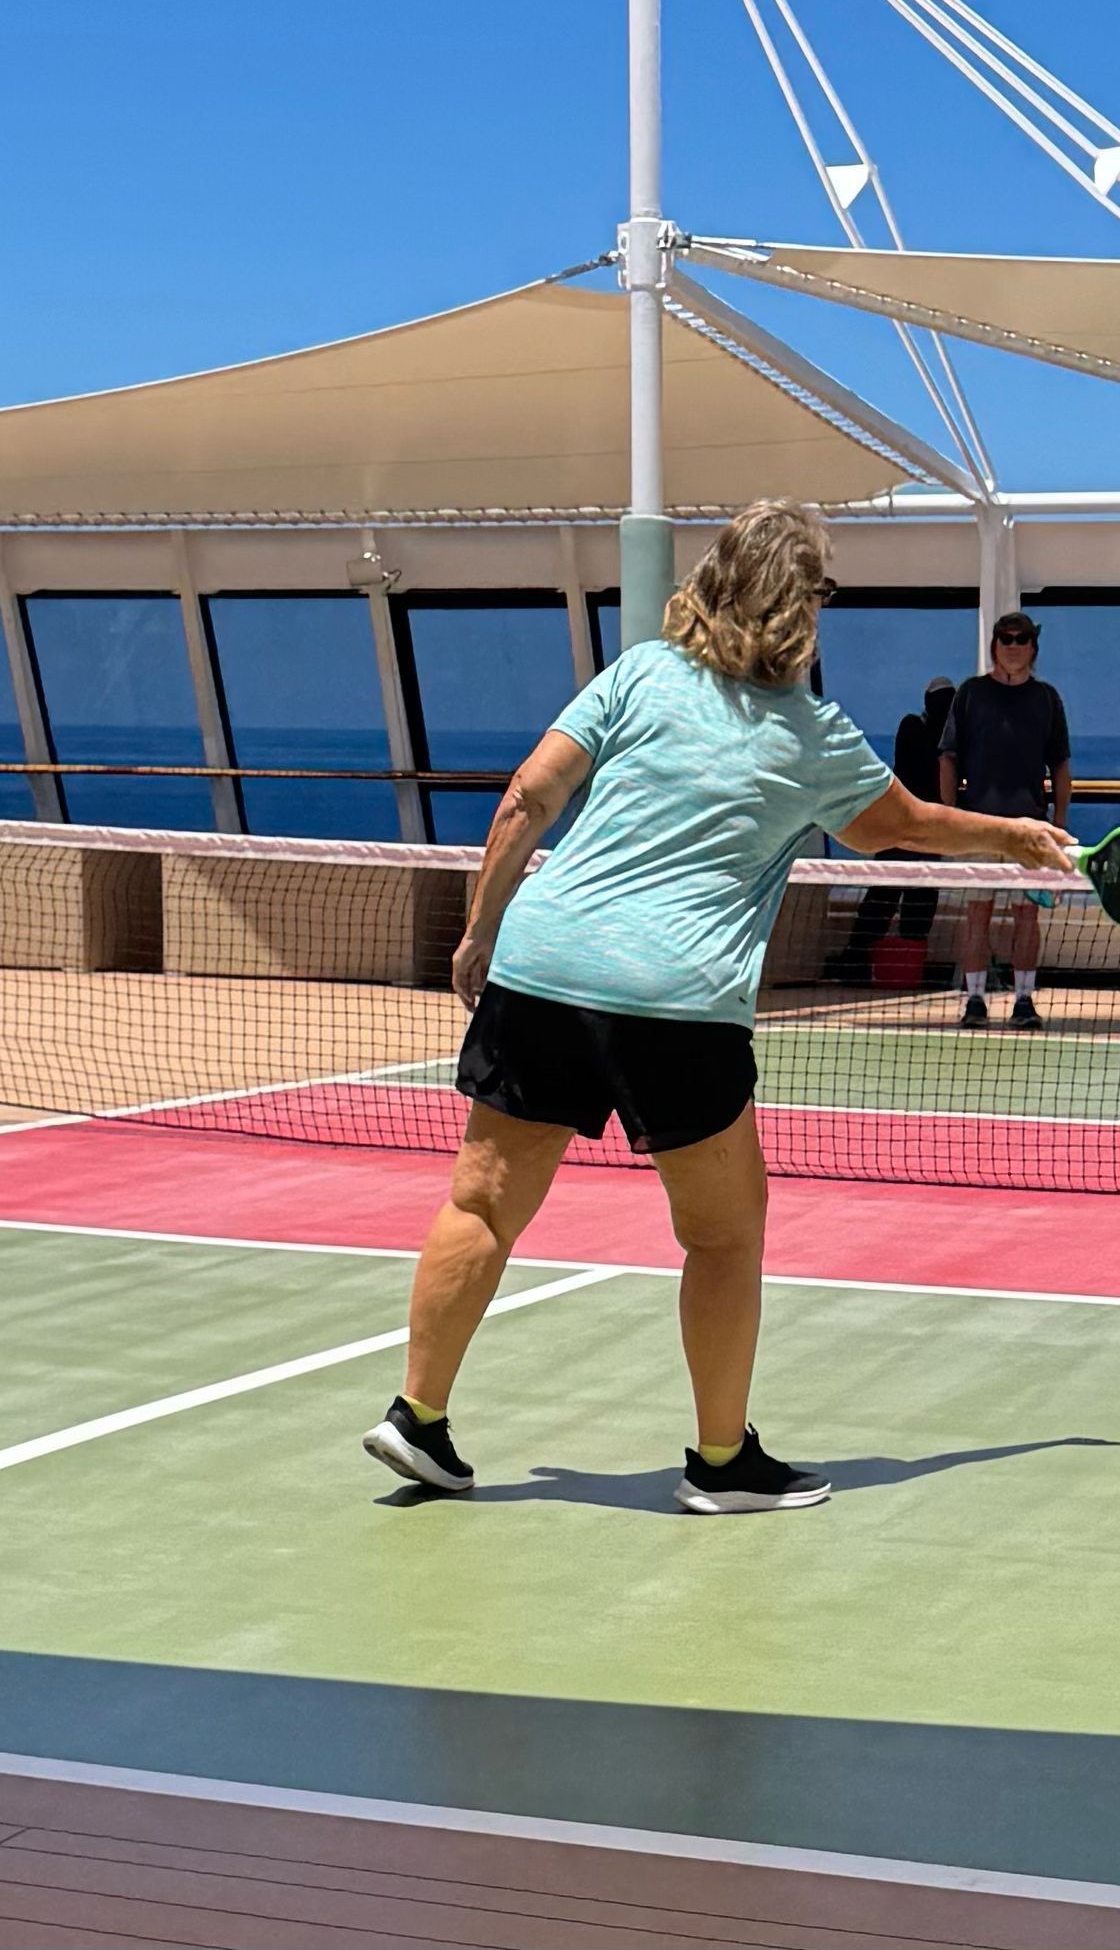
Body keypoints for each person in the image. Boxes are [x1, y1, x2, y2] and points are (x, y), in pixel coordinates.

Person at [361, 503, 1072, 1514]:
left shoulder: (640, 674)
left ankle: (418, 1416)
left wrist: (482, 930)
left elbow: (526, 797)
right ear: (802, 610)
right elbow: (902, 825)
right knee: (724, 1234)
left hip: (543, 966)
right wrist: (1013, 835)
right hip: (676, 1000)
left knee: (482, 1202)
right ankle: (721, 1460)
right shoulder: (811, 734)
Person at [938, 611, 1072, 1030]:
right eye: (1006, 639)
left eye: (1021, 639)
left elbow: (1060, 764)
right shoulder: (971, 694)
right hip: (976, 829)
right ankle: (974, 999)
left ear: (1033, 647)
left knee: (1027, 915)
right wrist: (950, 818)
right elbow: (948, 757)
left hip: (1031, 831)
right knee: (976, 914)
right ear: (995, 645)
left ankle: (1024, 1000)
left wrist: (1060, 824)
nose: (1013, 646)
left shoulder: (1046, 698)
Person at [831, 675, 957, 980]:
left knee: (901, 893)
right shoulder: (923, 730)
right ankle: (867, 957)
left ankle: (878, 958)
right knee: (896, 893)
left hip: (911, 824)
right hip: (912, 825)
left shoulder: (920, 729)